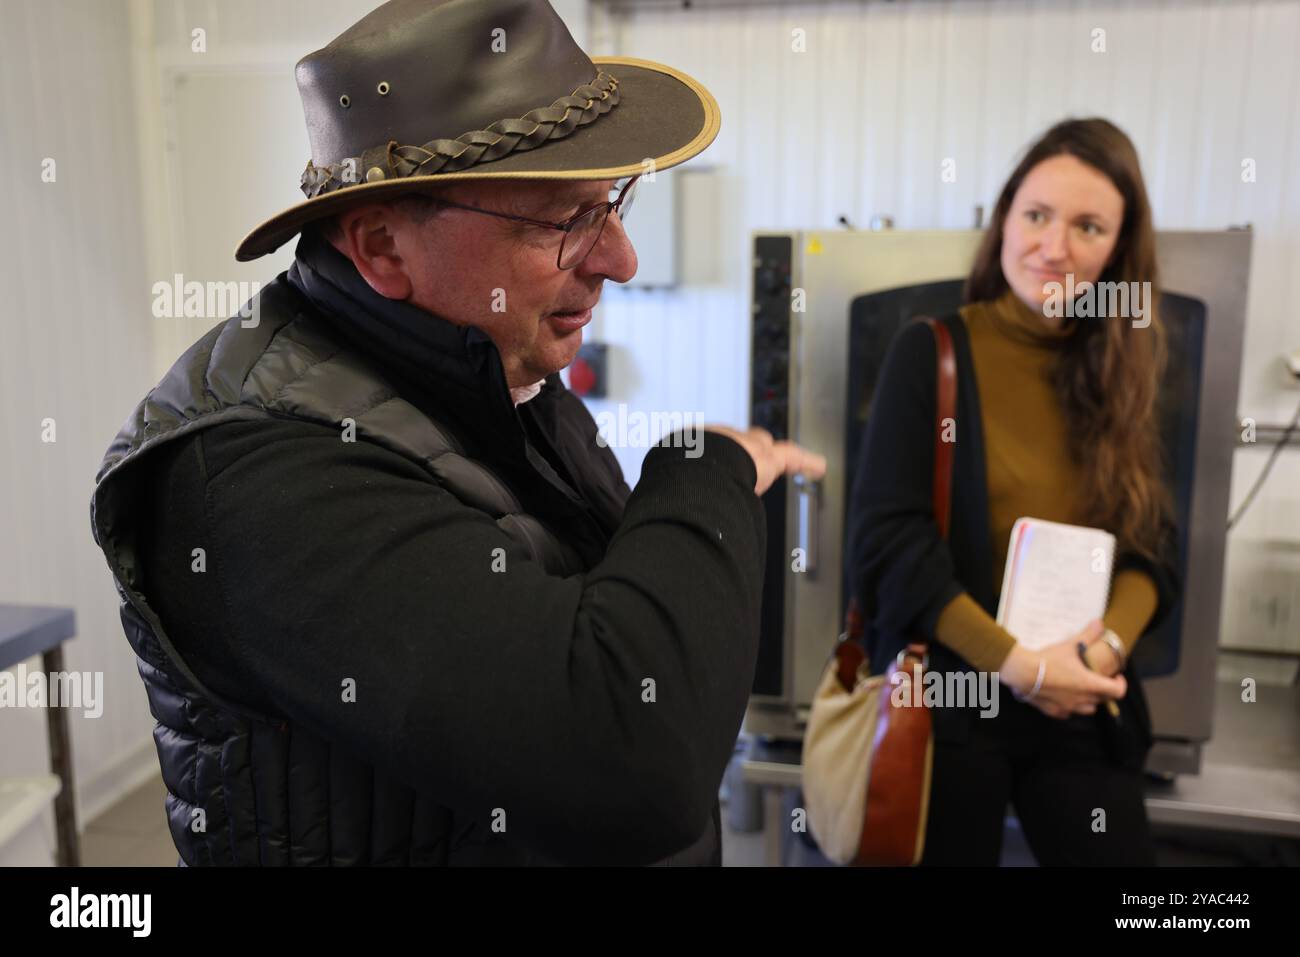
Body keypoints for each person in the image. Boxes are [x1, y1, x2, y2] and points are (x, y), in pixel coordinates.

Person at [90, 0, 823, 866]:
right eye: (565, 220)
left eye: (612, 202)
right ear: (381, 247)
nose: (620, 258)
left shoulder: (495, 368)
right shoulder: (251, 473)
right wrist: (704, 470)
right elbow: (633, 759)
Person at [845, 117, 1179, 866]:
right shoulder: (930, 353)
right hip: (960, 697)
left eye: (1088, 226)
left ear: (1120, 251)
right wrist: (1020, 667)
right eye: (1036, 216)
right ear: (1004, 224)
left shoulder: (1131, 368)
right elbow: (890, 548)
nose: (1054, 247)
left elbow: (1154, 545)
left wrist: (1100, 652)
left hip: (1083, 695)